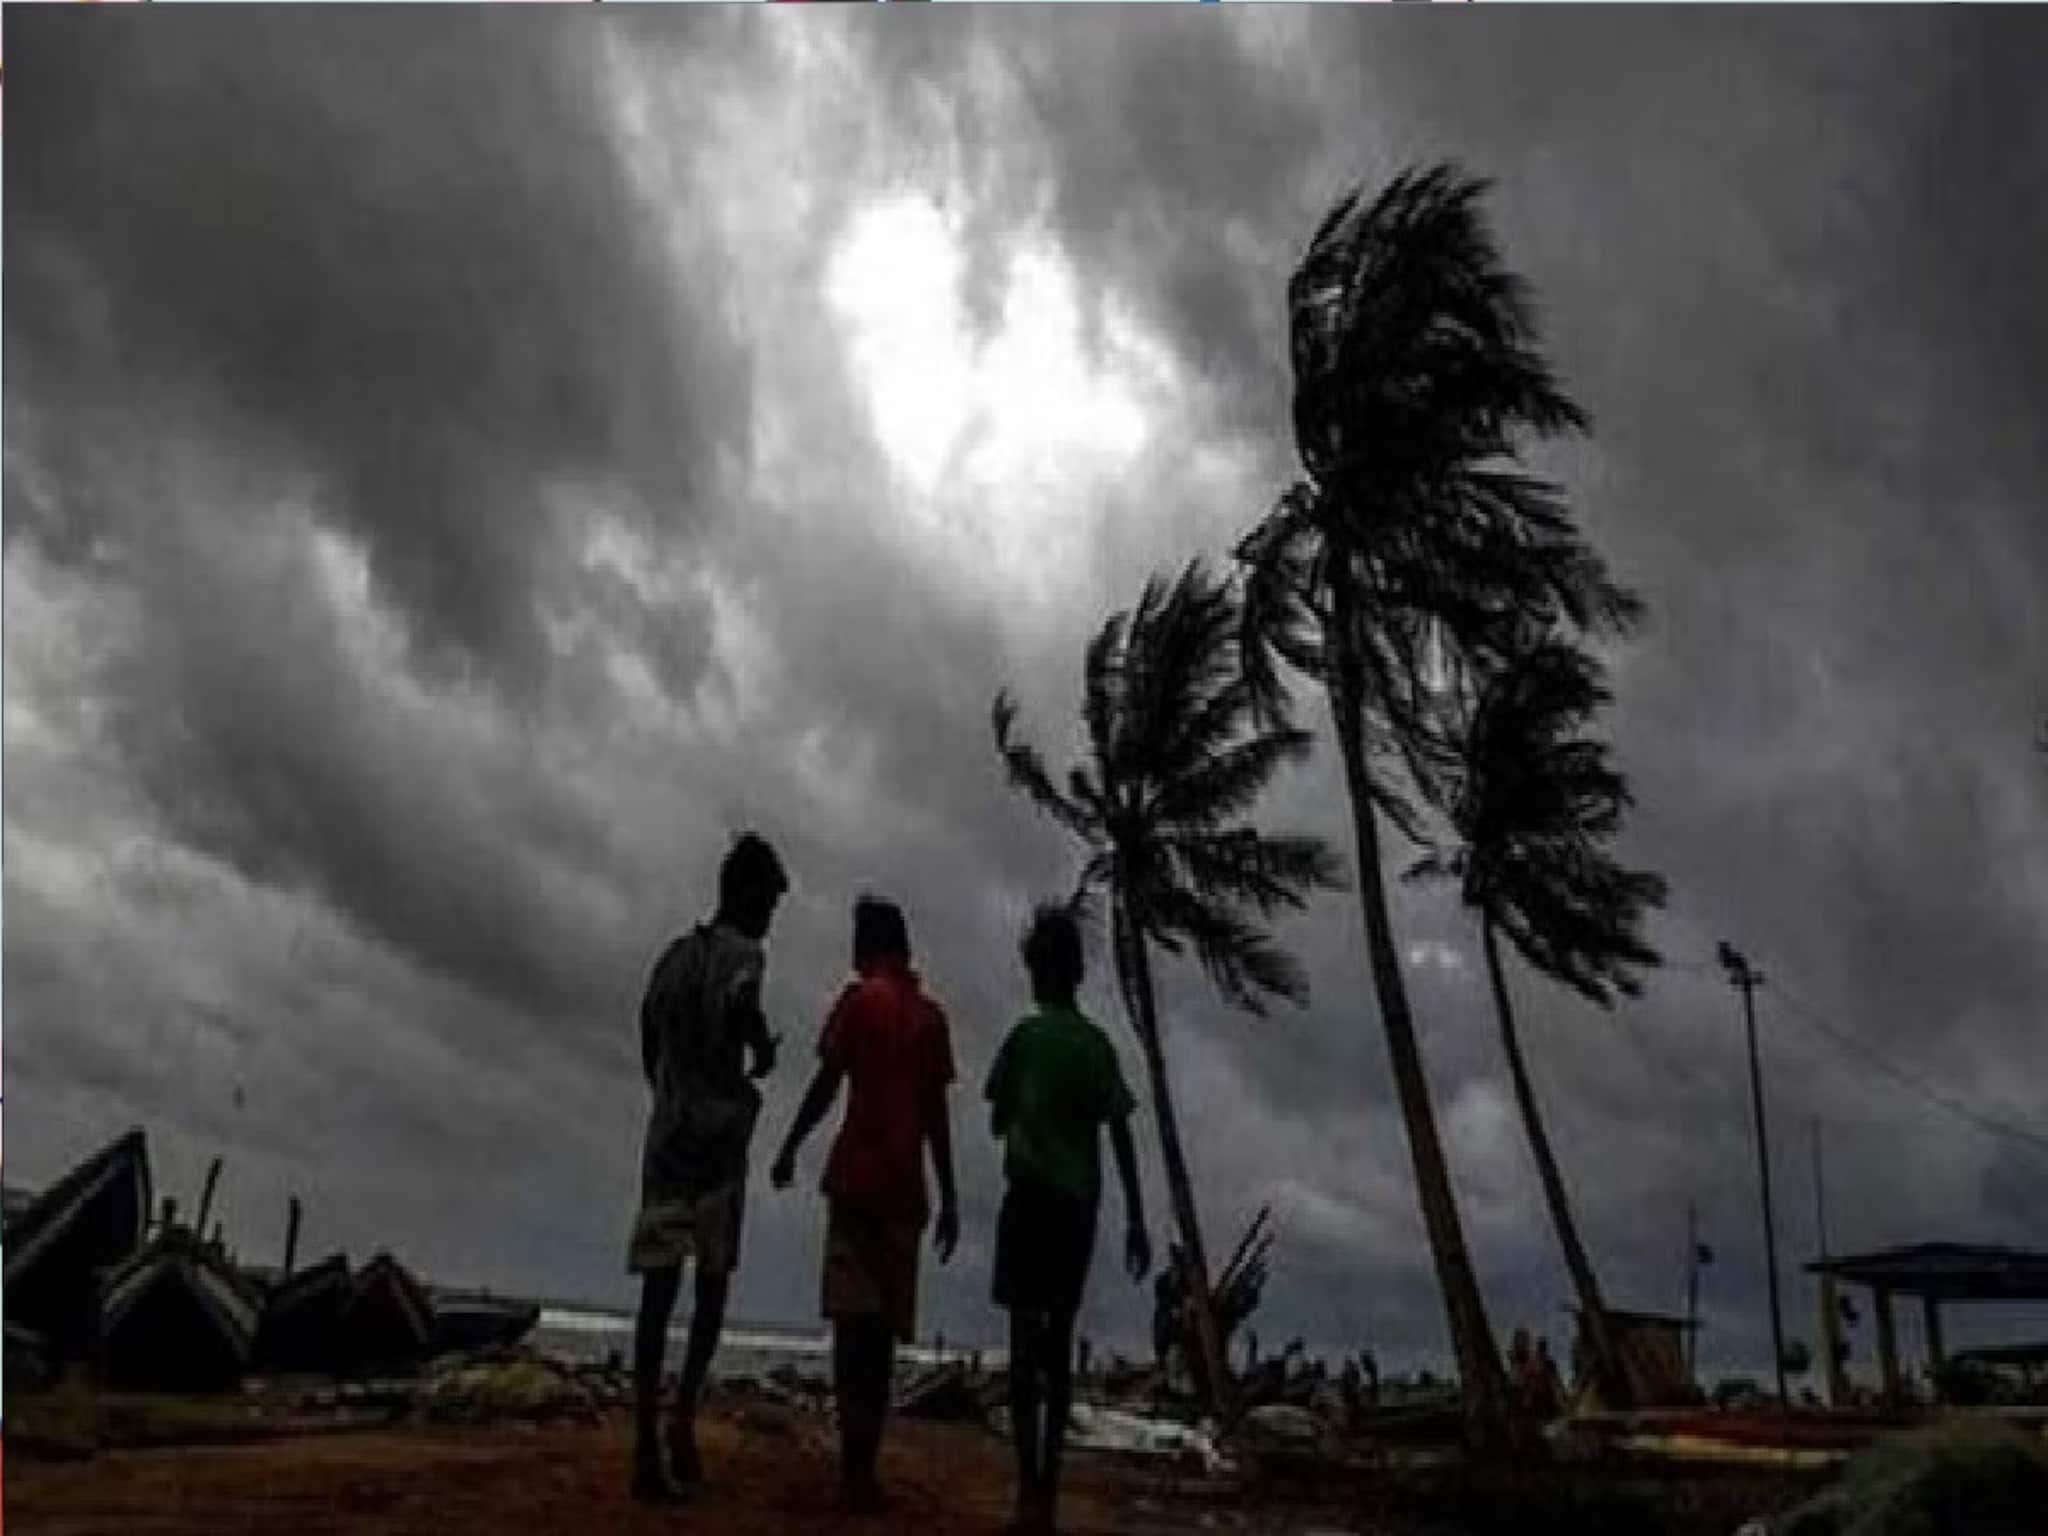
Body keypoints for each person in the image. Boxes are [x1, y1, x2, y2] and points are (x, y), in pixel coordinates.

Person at [771, 896, 959, 1514]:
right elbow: (937, 1116)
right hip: (905, 1192)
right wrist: (951, 1195)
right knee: (880, 1340)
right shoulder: (931, 1020)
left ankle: (852, 1470)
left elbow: (827, 1084)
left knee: (852, 1335)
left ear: (868, 944)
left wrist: (790, 1145)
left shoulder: (858, 1004)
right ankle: (865, 1468)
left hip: (855, 1182)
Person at [626, 832, 788, 1504]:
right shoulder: (744, 953)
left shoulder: (670, 959)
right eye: (771, 903)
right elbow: (743, 998)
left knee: (656, 1298)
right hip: (718, 1152)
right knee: (711, 1291)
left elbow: (646, 1041)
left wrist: (671, 1094)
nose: (772, 917)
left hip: (666, 1142)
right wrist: (759, 1047)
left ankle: (642, 1442)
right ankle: (682, 1420)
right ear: (748, 894)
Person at [987, 904, 1151, 1535]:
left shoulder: (1025, 1039)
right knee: (1057, 1352)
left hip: (1028, 1200)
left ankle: (1027, 1490)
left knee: (1024, 1351)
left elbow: (998, 1114)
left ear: (1034, 972)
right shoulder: (1096, 1045)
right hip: (1078, 1208)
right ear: (1077, 975)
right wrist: (1135, 1217)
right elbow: (1121, 1134)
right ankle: (1046, 1493)